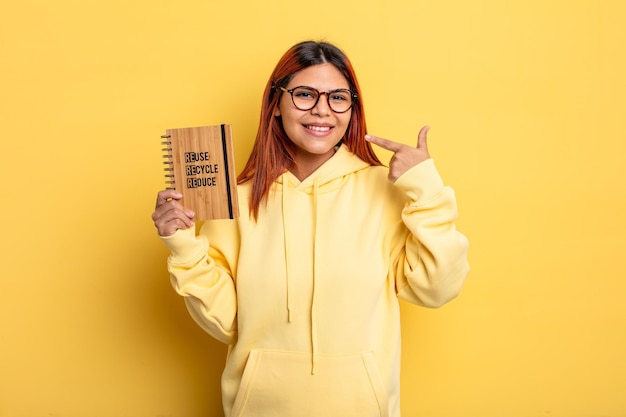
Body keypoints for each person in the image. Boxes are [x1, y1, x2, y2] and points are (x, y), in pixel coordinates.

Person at [152, 40, 469, 417]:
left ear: (352, 109)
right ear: (276, 105)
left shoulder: (387, 191)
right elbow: (226, 322)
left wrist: (428, 191)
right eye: (304, 95)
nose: (322, 110)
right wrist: (183, 246)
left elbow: (437, 290)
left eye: (338, 97)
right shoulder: (235, 200)